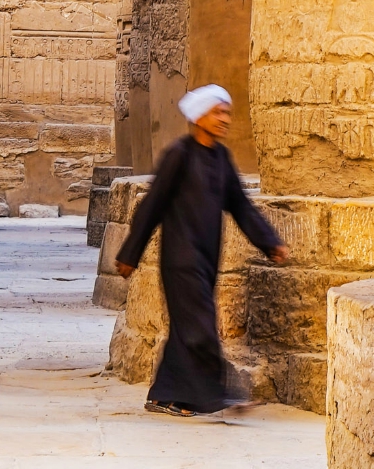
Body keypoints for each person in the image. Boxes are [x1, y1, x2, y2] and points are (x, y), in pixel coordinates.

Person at [114, 85, 289, 418]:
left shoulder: (221, 159)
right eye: (217, 113)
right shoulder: (179, 155)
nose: (224, 119)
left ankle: (165, 396)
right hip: (181, 259)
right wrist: (129, 254)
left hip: (206, 259)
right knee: (200, 326)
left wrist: (270, 242)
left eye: (226, 113)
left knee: (186, 330)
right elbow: (152, 206)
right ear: (199, 117)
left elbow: (241, 207)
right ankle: (217, 395)